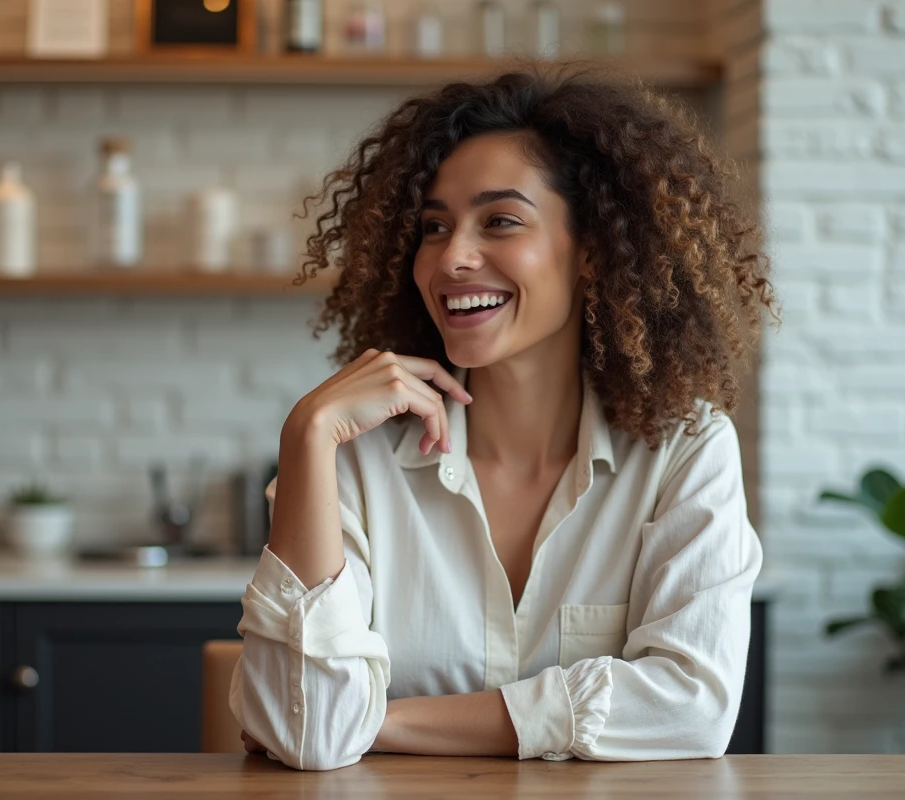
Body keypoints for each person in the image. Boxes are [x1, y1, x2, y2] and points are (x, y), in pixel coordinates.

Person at [229, 64, 778, 771]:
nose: (452, 257)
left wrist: (378, 720)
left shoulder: (684, 450)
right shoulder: (354, 460)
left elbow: (692, 708)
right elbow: (306, 735)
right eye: (434, 227)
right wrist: (306, 435)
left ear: (593, 252)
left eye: (501, 221)